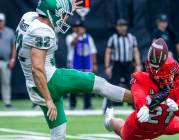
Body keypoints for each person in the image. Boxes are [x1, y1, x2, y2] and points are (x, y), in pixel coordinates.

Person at [15, 0, 132, 139]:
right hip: (49, 81)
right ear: (53, 13)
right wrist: (49, 100)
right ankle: (142, 100)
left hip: (34, 86)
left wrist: (66, 4)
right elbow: (37, 69)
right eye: (63, 14)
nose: (65, 18)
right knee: (99, 84)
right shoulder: (42, 31)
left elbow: (46, 5)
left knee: (58, 134)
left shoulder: (28, 17)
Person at [104, 38, 179, 140]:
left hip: (163, 126)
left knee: (178, 127)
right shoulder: (141, 79)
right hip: (140, 126)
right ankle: (109, 121)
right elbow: (139, 94)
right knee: (123, 132)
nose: (169, 77)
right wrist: (143, 106)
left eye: (171, 73)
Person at [104, 18, 141, 108]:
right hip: (117, 64)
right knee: (112, 85)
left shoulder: (132, 38)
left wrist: (138, 64)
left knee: (132, 85)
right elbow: (108, 52)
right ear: (117, 27)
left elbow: (135, 51)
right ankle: (108, 106)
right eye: (120, 26)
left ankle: (136, 106)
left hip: (128, 64)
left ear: (126, 27)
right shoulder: (113, 38)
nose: (122, 28)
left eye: (124, 26)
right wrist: (107, 66)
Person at [66, 20, 97, 110]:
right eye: (76, 27)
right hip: (73, 64)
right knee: (73, 84)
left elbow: (93, 51)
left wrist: (94, 63)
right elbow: (72, 44)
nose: (77, 29)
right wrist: (78, 35)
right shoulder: (70, 37)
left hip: (86, 64)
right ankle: (72, 104)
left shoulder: (88, 38)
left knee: (87, 84)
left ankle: (87, 104)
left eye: (80, 27)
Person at [0, 13, 16, 108]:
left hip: (6, 61)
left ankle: (7, 101)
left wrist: (13, 59)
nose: (0, 23)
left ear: (4, 21)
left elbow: (14, 46)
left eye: (1, 21)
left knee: (6, 82)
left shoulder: (10, 32)